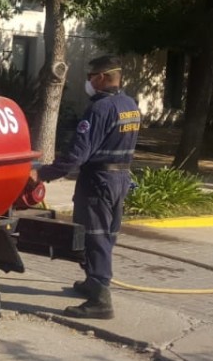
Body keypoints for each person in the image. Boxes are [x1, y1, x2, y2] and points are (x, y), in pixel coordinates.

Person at [29, 55, 142, 319]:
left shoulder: (99, 109)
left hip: (98, 182)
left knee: (95, 236)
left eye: (91, 77)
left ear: (102, 77)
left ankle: (101, 300)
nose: (89, 82)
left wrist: (41, 174)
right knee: (108, 234)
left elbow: (76, 156)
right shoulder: (130, 105)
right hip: (120, 179)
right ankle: (93, 283)